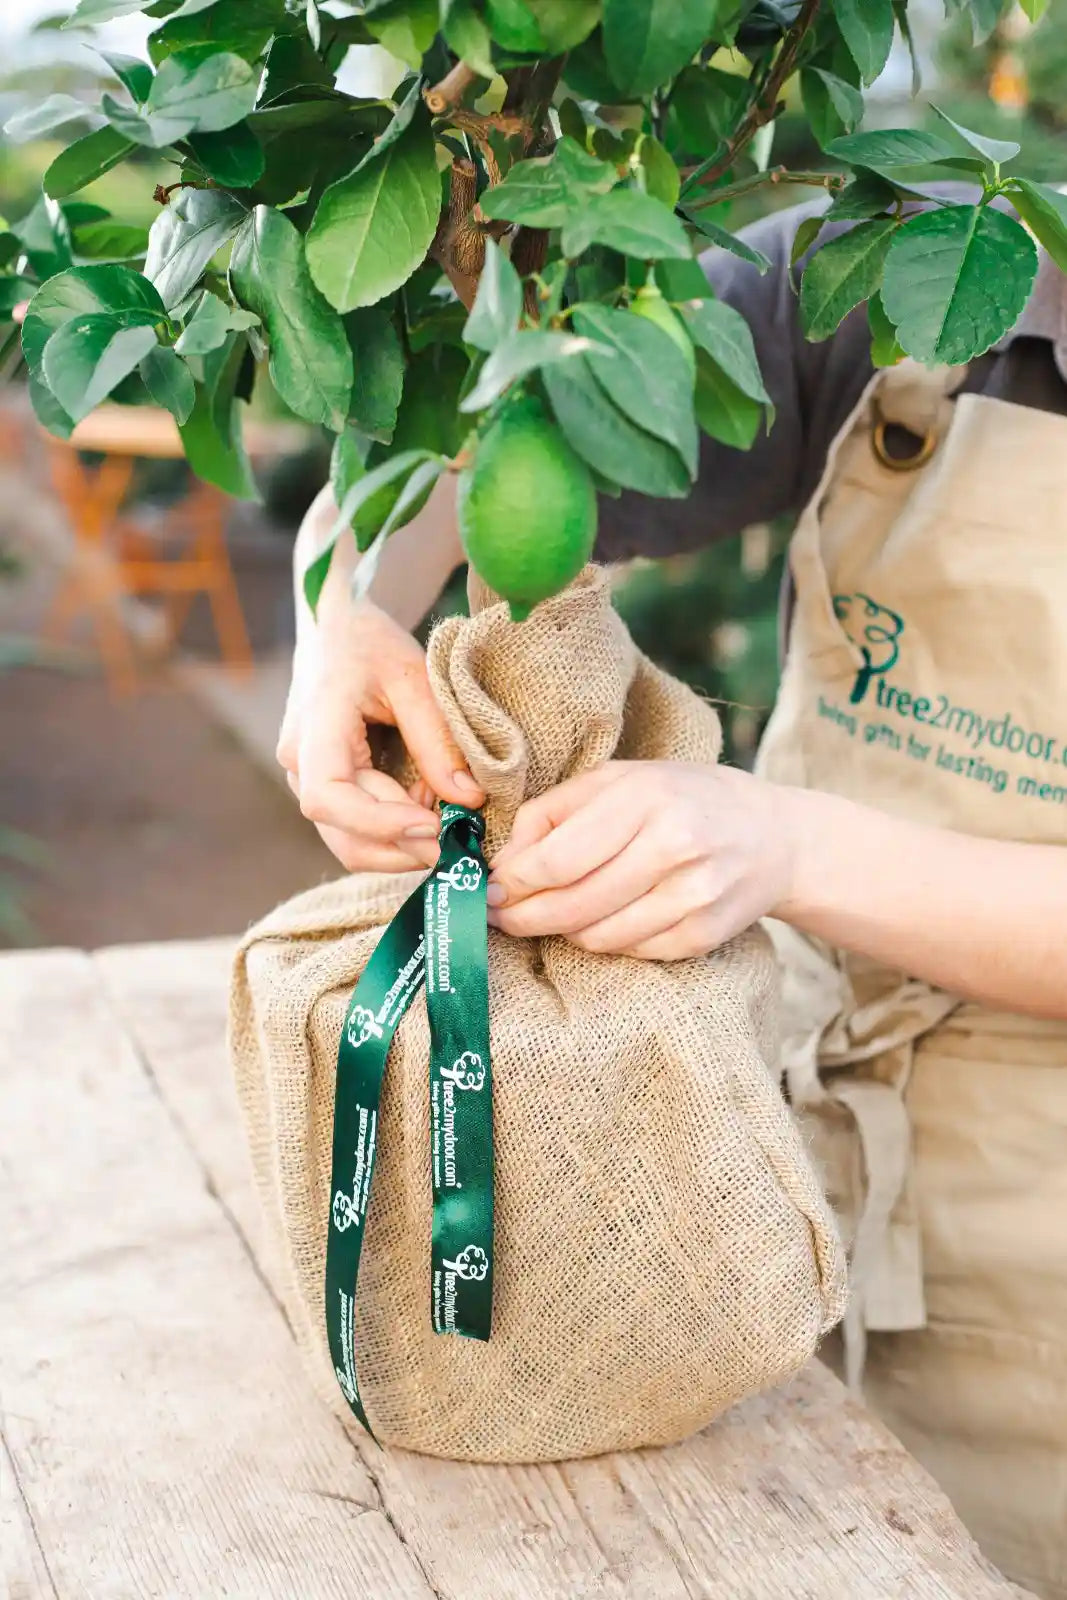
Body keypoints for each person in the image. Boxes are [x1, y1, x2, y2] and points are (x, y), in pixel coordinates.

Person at [280, 193, 1067, 1599]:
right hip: (767, 1175)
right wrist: (343, 612)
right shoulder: (914, 269)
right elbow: (491, 441)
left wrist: (791, 850)